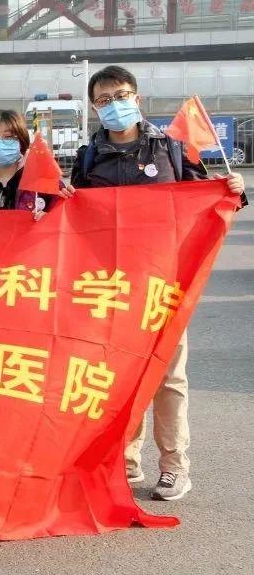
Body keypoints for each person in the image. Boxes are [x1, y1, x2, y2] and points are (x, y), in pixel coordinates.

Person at [71, 65, 246, 502]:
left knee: (168, 377)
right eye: (104, 100)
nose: (114, 105)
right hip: (110, 286)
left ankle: (174, 466)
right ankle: (126, 462)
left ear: (137, 98)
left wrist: (234, 191)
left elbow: (206, 200)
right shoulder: (88, 159)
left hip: (164, 284)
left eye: (121, 95)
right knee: (118, 377)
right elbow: (72, 221)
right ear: (94, 108)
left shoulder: (170, 149)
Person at [0, 109, 73, 212]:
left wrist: (51, 216)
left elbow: (63, 218)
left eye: (8, 136)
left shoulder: (44, 181)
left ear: (21, 140)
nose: (0, 144)